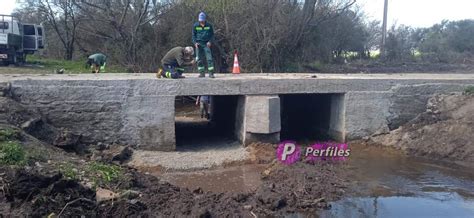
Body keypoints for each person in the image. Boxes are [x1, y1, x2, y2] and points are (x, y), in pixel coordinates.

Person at [192, 12, 215, 78]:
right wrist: (195, 43)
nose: (201, 21)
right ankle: (202, 73)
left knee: (209, 59)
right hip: (198, 44)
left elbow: (212, 35)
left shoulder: (209, 25)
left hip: (206, 44)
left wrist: (210, 42)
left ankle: (211, 73)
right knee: (199, 59)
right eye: (200, 20)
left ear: (205, 19)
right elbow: (193, 36)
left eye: (202, 20)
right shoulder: (195, 25)